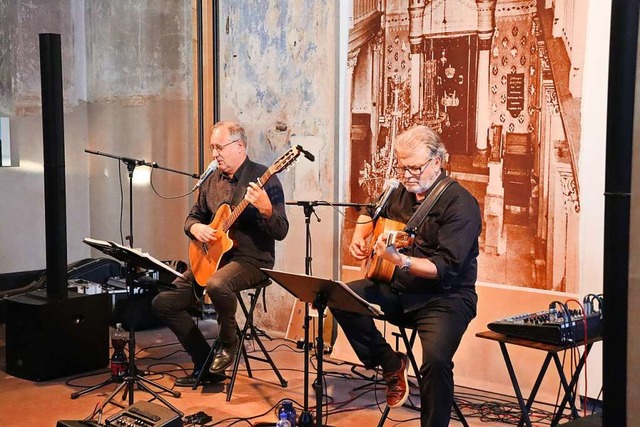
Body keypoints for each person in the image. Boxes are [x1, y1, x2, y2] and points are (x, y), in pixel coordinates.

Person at [331, 125, 481, 427]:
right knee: (341, 297)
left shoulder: (461, 205)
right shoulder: (398, 192)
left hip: (445, 299)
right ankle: (391, 363)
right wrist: (359, 239)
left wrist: (401, 260)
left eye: (414, 168)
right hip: (397, 290)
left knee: (436, 363)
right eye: (402, 167)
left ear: (436, 163)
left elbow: (445, 268)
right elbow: (368, 212)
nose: (407, 175)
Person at [152, 121, 289, 387]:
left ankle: (229, 341)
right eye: (212, 147)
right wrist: (197, 228)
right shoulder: (211, 181)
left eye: (219, 147)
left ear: (239, 147)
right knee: (163, 302)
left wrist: (266, 209)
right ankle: (206, 364)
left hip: (252, 260)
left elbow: (281, 230)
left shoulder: (264, 178)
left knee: (217, 284)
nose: (214, 153)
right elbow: (191, 217)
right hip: (214, 259)